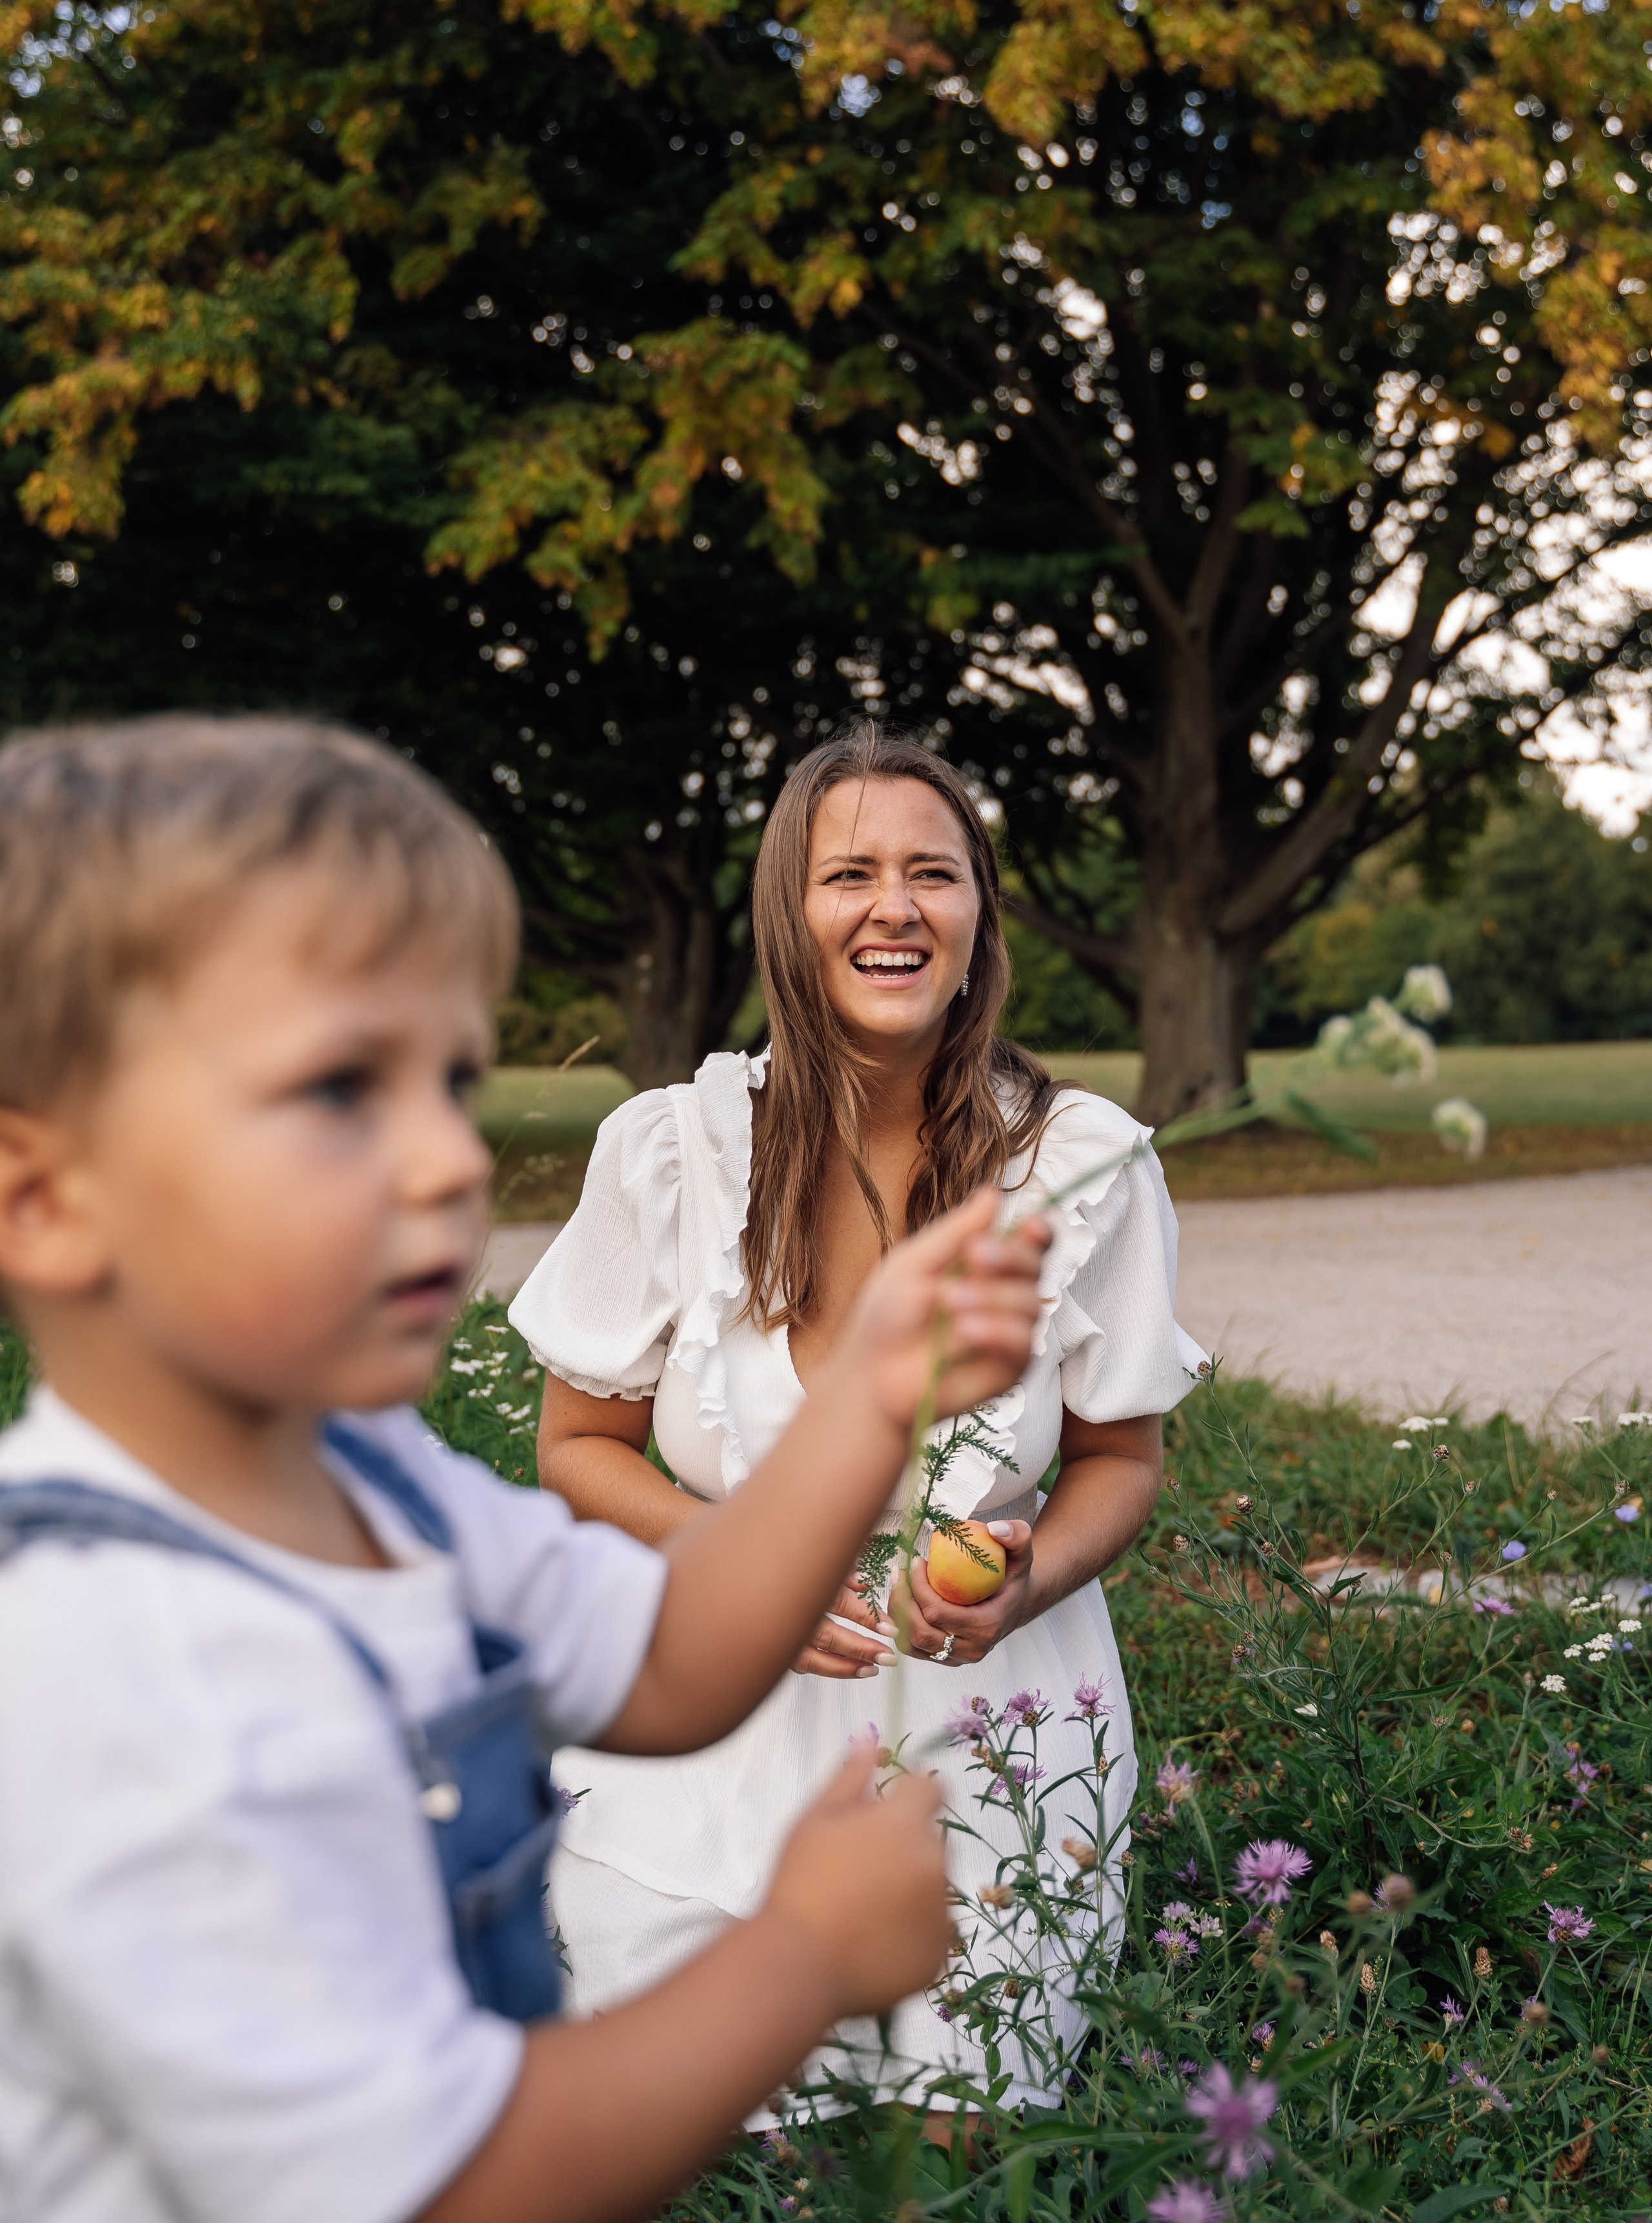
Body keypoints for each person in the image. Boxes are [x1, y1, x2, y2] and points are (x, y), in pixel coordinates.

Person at [0, 714, 1052, 2223]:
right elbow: (458, 2181)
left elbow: (676, 1660)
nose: (444, 1164)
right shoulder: (101, 1663)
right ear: (45, 1201)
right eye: (338, 1093)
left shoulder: (386, 1494)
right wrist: (801, 1959)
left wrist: (875, 1392)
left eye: (453, 1081)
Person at [518, 728, 1206, 2115]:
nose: (893, 906)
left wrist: (1029, 1576)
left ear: (975, 920)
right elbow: (575, 1445)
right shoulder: (669, 1153)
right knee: (711, 2139)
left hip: (994, 1743)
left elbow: (1119, 1463)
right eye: (849, 874)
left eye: (931, 875)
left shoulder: (1080, 1165)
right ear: (791, 913)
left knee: (958, 2146)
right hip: (709, 1735)